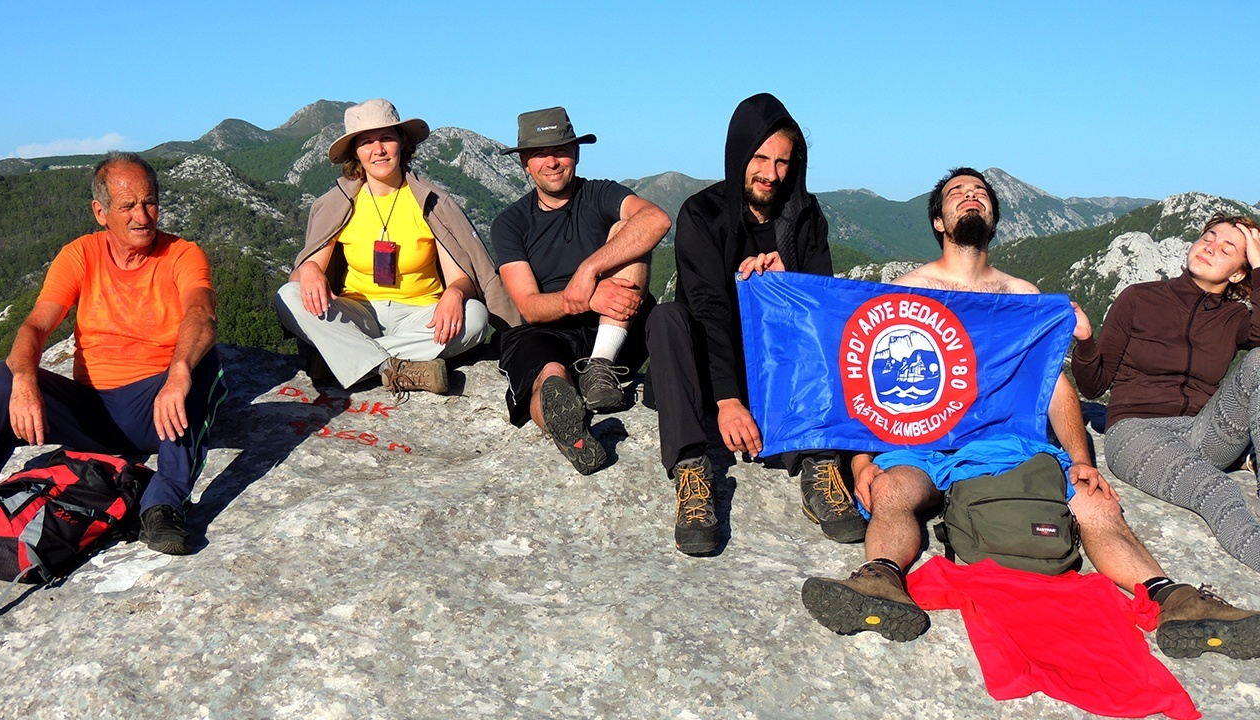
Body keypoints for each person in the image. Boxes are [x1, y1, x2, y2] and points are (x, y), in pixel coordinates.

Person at [802, 168, 1260, 660]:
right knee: (893, 489)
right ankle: (881, 579)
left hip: (1006, 444)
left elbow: (1054, 385)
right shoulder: (906, 290)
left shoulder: (1022, 297)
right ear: (938, 220)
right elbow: (870, 381)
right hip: (924, 439)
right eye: (957, 192)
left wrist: (1081, 460)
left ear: (994, 218)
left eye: (980, 192)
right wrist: (862, 461)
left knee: (1095, 505)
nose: (970, 196)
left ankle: (1173, 598)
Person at [645, 93, 863, 555]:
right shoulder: (701, 214)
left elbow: (823, 310)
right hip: (710, 369)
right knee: (666, 318)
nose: (771, 173)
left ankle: (818, 463)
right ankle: (691, 469)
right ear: (739, 155)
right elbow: (707, 308)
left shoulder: (804, 217)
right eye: (760, 158)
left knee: (821, 324)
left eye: (783, 162)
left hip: (777, 371)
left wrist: (790, 281)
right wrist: (727, 400)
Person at [0, 152, 226, 555]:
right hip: (91, 411)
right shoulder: (80, 255)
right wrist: (24, 379)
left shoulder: (183, 254)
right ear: (101, 212)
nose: (142, 216)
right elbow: (35, 327)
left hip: (157, 408)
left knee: (203, 363)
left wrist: (179, 371)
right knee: (3, 375)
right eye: (127, 206)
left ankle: (162, 505)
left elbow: (201, 313)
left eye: (149, 202)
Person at [276, 98, 519, 396]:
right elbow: (300, 279)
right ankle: (391, 367)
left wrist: (455, 293)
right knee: (287, 296)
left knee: (475, 317)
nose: (378, 149)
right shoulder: (339, 203)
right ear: (355, 152)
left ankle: (341, 360)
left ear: (402, 143)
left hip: (422, 316)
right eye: (366, 142)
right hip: (357, 313)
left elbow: (461, 278)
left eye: (386, 138)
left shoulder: (431, 203)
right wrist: (310, 268)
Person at [1072, 214, 1260, 571]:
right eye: (1208, 237)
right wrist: (1085, 341)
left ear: (1238, 273)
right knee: (1218, 489)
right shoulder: (1139, 298)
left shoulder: (1234, 317)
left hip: (1203, 432)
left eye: (1227, 249)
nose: (1211, 247)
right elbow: (1094, 386)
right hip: (1136, 431)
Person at [491, 106, 669, 475]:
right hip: (547, 330)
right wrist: (587, 297)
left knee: (628, 230)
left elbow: (656, 219)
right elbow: (529, 306)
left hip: (615, 328)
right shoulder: (510, 223)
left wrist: (590, 270)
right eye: (539, 154)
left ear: (575, 153)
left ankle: (600, 366)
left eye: (560, 150)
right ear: (525, 163)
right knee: (550, 376)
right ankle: (570, 433)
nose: (551, 162)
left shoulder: (601, 193)